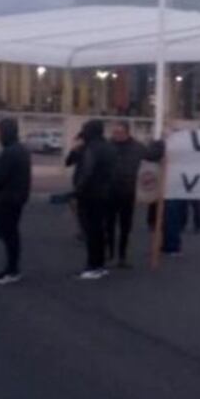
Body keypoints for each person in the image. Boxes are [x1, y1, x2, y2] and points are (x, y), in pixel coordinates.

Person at [0, 118, 31, 285]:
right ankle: (12, 268)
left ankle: (12, 270)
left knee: (10, 234)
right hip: (16, 197)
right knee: (11, 234)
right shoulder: (20, 149)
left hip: (8, 198)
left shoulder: (9, 152)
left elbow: (0, 177)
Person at [73, 119, 115, 279]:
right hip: (105, 193)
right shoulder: (109, 147)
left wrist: (78, 190)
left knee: (90, 231)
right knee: (99, 230)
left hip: (90, 194)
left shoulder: (92, 148)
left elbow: (86, 172)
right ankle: (100, 265)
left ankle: (92, 265)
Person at [107, 121, 146, 268]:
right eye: (114, 133)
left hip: (128, 192)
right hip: (109, 191)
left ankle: (122, 255)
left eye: (119, 133)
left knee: (125, 226)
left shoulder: (137, 148)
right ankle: (110, 252)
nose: (116, 135)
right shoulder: (107, 146)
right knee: (109, 224)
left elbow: (152, 156)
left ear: (127, 133)